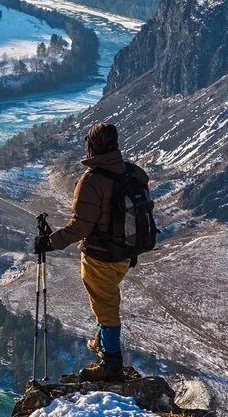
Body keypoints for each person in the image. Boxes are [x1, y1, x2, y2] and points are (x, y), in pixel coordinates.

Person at [35, 122, 148, 381]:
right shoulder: (133, 173)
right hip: (126, 253)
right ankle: (102, 343)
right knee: (105, 299)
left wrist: (49, 242)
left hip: (101, 256)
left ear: (91, 145)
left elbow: (80, 227)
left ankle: (111, 362)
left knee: (106, 305)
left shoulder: (92, 180)